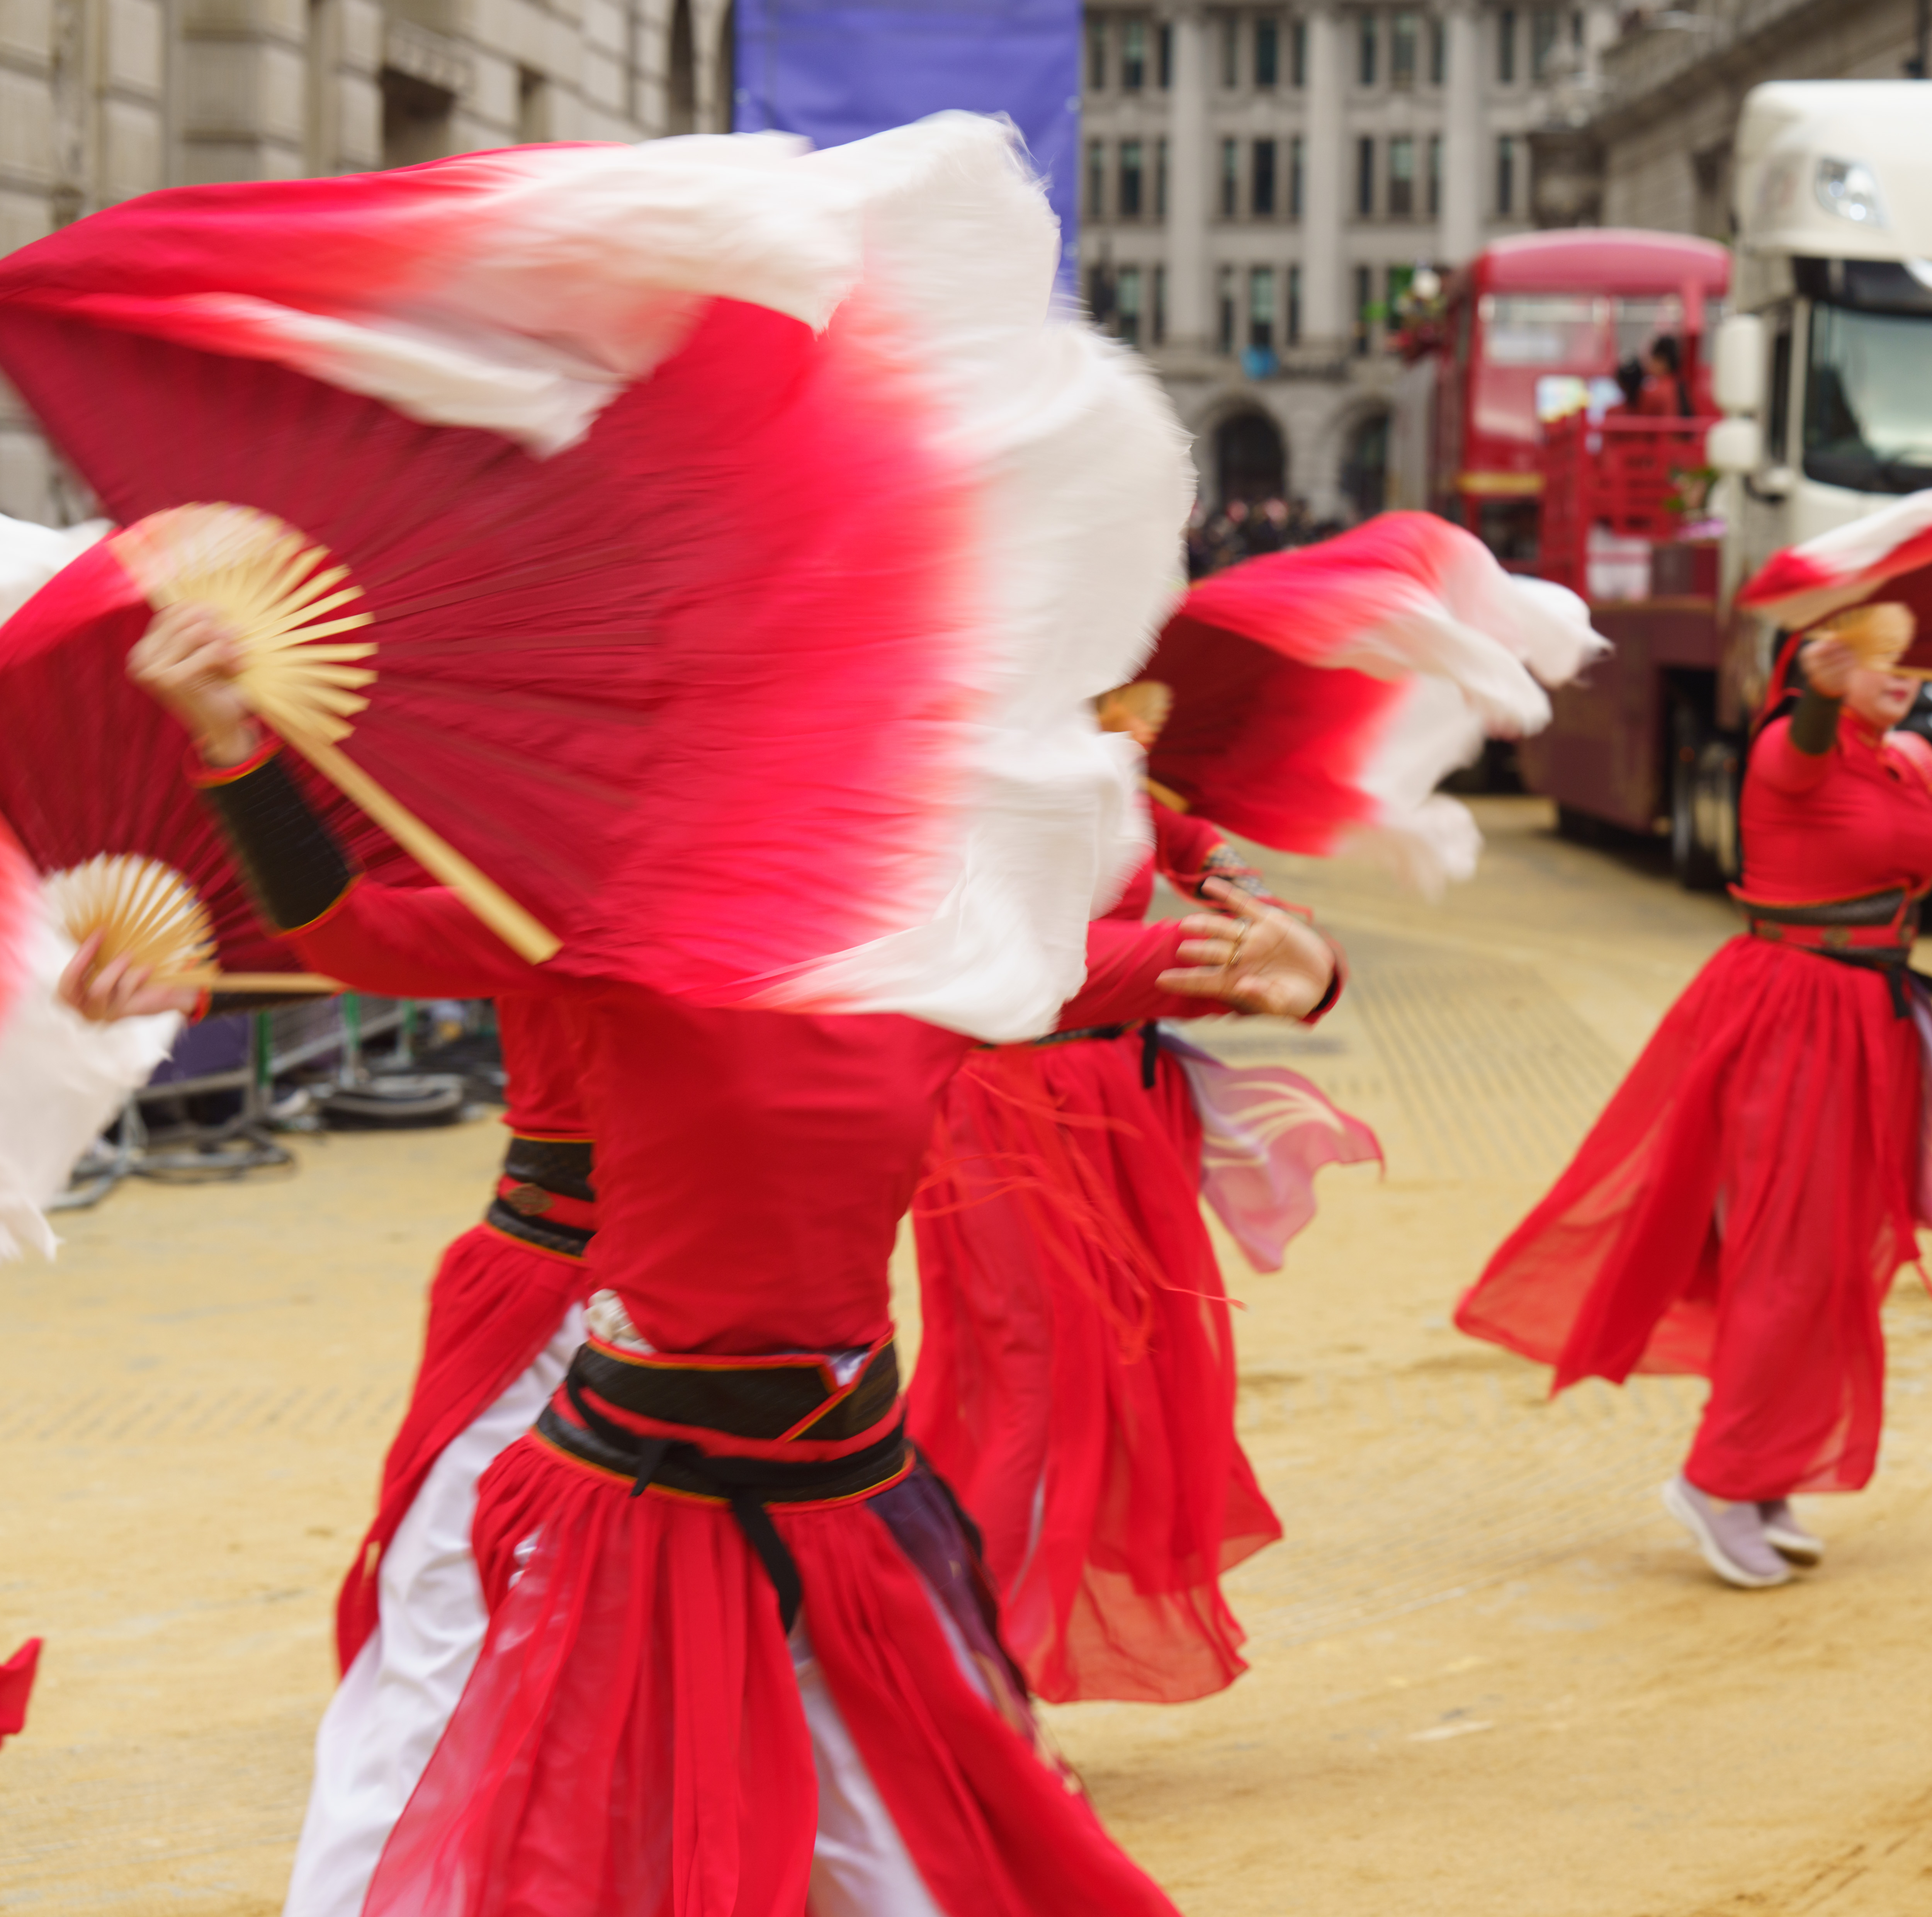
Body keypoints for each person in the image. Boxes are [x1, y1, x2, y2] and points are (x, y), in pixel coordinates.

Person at [104, 602, 1344, 1915]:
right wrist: (232, 744)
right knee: (526, 1800)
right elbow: (356, 930)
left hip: (847, 1501)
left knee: (904, 1865)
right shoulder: (607, 934)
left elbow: (1175, 969)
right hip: (634, 1498)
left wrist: (1298, 967)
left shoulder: (935, 966)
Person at [1455, 625, 1932, 1587]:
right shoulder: (1788, 747)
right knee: (1784, 1259)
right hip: (1789, 1020)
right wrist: (1816, 693)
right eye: (1875, 653)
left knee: (1830, 1264)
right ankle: (1714, 1479)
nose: (1903, 668)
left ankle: (1766, 1471)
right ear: (1821, 664)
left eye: (1911, 652)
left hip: (1873, 1027)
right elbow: (1805, 740)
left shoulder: (1909, 763)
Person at [61, 934, 596, 1917]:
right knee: (443, 1632)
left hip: (759, 1339)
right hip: (573, 1287)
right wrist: (208, 976)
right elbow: (412, 917)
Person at [908, 680, 1374, 1705]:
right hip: (1010, 1108)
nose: (1157, 707)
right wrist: (1225, 966)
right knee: (1032, 1374)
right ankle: (969, 1664)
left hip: (1117, 1102)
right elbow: (1018, 969)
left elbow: (1194, 843)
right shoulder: (988, 775)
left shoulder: (1113, 774)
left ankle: (971, 1652)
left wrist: (1259, 909)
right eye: (1133, 679)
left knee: (1097, 1369)